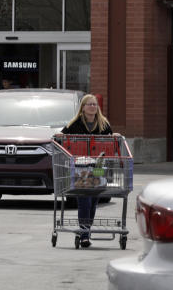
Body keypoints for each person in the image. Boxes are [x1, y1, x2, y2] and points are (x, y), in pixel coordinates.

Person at [61, 94, 112, 249]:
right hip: (81, 168)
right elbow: (62, 138)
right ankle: (84, 235)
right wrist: (60, 136)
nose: (92, 107)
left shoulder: (103, 124)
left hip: (98, 168)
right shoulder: (75, 124)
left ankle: (85, 231)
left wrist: (114, 136)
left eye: (94, 105)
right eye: (89, 104)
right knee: (84, 199)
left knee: (93, 201)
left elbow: (111, 142)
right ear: (82, 107)